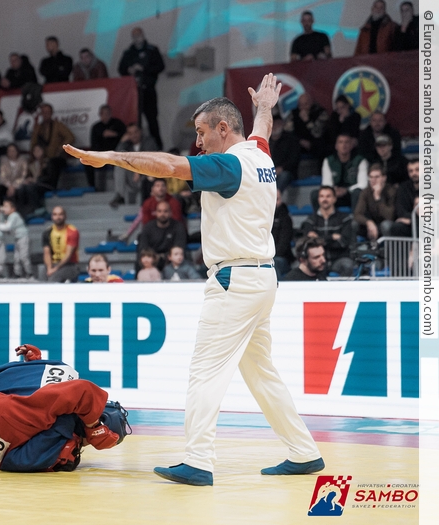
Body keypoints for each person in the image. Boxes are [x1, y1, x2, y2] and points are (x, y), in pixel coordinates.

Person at [64, 73, 325, 485]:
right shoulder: (259, 155)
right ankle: (304, 452)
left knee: (205, 371)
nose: (198, 142)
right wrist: (264, 107)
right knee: (261, 373)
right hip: (262, 279)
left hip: (234, 281)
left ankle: (199, 461)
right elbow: (262, 128)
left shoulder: (228, 165)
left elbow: (169, 165)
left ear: (223, 129)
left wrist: (110, 157)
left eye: (202, 132)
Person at [118, 27, 165, 148]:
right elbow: (121, 69)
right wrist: (129, 70)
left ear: (143, 36)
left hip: (148, 90)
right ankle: (135, 148)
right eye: (134, 36)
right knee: (135, 121)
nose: (136, 39)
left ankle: (158, 148)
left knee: (152, 121)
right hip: (134, 93)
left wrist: (144, 69)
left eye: (138, 36)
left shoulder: (152, 50)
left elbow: (160, 66)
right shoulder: (128, 53)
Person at [302, 186, 355, 277]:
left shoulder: (345, 219)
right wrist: (332, 237)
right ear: (318, 199)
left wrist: (318, 239)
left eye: (328, 196)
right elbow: (309, 244)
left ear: (334, 199)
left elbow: (343, 243)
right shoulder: (310, 220)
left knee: (347, 264)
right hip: (317, 260)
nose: (324, 199)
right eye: (322, 196)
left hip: (338, 259)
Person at [109, 123, 160, 208]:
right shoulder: (127, 145)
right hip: (131, 178)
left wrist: (138, 171)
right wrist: (122, 142)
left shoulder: (149, 141)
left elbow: (150, 158)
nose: (134, 135)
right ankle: (120, 196)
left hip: (146, 177)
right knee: (119, 165)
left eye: (136, 132)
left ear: (140, 132)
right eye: (130, 133)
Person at [121, 178, 186, 242]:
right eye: (157, 186)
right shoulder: (147, 204)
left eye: (163, 186)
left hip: (171, 235)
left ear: (166, 188)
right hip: (153, 236)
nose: (160, 188)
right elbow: (146, 225)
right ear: (152, 189)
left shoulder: (174, 203)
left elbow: (176, 223)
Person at [316, 133, 369, 211]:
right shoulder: (329, 161)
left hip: (352, 194)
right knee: (316, 194)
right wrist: (334, 191)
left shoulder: (360, 160)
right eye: (340, 142)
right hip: (335, 194)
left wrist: (346, 190)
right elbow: (326, 183)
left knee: (358, 193)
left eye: (346, 142)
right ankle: (321, 217)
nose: (344, 145)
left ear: (351, 145)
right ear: (336, 146)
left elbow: (363, 184)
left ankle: (357, 218)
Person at [30, 103, 75, 191]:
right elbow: (33, 143)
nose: (46, 114)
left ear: (51, 113)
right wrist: (34, 154)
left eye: (48, 112)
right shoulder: (38, 128)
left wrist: (60, 148)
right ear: (41, 114)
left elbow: (70, 138)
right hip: (42, 159)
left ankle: (51, 187)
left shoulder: (58, 125)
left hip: (57, 158)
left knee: (52, 163)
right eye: (44, 112)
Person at [136, 201, 187, 272]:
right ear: (156, 213)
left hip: (171, 259)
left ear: (170, 213)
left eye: (165, 211)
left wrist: (166, 257)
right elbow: (143, 247)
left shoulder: (178, 227)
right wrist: (153, 257)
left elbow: (179, 247)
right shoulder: (148, 227)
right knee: (140, 261)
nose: (162, 214)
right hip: (152, 259)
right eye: (159, 211)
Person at [287, 93, 329, 175]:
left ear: (311, 103)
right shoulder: (294, 113)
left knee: (321, 146)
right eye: (301, 105)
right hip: (298, 143)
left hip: (315, 143)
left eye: (306, 104)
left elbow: (317, 133)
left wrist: (307, 121)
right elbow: (287, 132)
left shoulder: (321, 113)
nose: (303, 108)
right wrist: (299, 141)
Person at [87, 105, 126, 190]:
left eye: (108, 113)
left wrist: (114, 134)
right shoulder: (96, 127)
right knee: (87, 163)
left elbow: (125, 135)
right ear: (100, 114)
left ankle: (121, 188)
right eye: (104, 114)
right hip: (101, 154)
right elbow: (94, 144)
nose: (106, 115)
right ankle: (93, 187)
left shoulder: (118, 123)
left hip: (116, 153)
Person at [354, 163, 396, 241]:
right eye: (371, 177)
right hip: (371, 225)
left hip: (386, 224)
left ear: (384, 178)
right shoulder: (366, 192)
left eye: (377, 177)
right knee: (354, 224)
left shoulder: (391, 191)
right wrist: (369, 222)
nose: (373, 180)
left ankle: (389, 248)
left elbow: (390, 216)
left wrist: (378, 197)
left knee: (386, 225)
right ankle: (356, 247)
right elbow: (357, 214)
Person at [42, 206, 79, 283]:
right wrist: (49, 268)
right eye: (55, 214)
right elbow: (47, 253)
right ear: (52, 216)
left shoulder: (72, 231)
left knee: (54, 278)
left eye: (60, 214)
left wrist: (54, 269)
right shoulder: (47, 232)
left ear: (65, 216)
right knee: (42, 277)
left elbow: (68, 255)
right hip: (53, 263)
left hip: (70, 265)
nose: (58, 217)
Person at [0, 199, 32, 278]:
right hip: (18, 239)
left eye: (6, 206)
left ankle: (29, 273)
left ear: (13, 208)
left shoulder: (14, 215)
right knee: (16, 258)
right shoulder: (10, 217)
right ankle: (17, 274)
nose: (4, 208)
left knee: (24, 257)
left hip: (23, 238)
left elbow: (7, 227)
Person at [269, 114, 300, 191]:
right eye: (273, 123)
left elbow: (294, 159)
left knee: (284, 175)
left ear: (282, 124)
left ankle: (277, 194)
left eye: (277, 124)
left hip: (287, 171)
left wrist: (282, 168)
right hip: (268, 171)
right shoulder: (266, 141)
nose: (274, 126)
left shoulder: (290, 139)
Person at [391, 160, 420, 237]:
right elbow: (401, 211)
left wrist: (412, 220)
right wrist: (413, 220)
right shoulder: (403, 188)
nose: (414, 173)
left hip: (430, 224)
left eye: (417, 170)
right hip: (410, 223)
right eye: (411, 171)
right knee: (397, 227)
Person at [272, 189, 295, 279]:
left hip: (281, 257)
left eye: (277, 199)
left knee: (273, 264)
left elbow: (283, 245)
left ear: (281, 200)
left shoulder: (286, 219)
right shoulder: (259, 217)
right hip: (264, 256)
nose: (274, 203)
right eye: (272, 199)